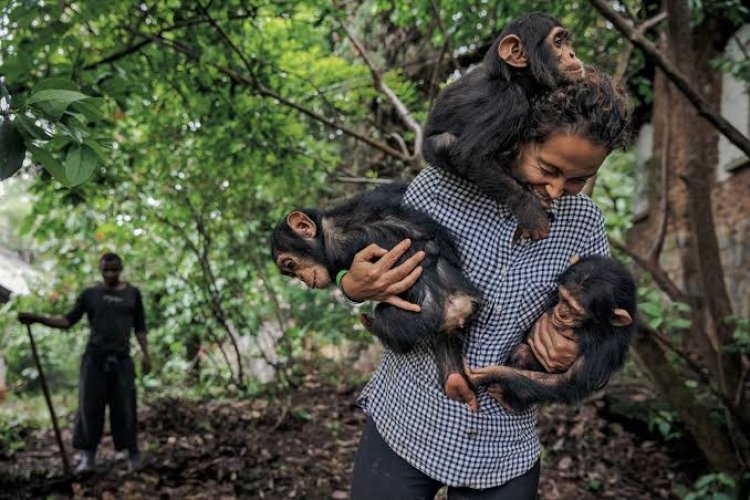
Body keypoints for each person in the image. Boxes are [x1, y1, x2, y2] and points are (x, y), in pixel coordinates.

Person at [341, 70, 632, 498]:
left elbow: (604, 333)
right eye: (548, 168)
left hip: (503, 449)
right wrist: (352, 287)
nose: (557, 190)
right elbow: (362, 272)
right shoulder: (439, 189)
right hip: (406, 420)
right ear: (519, 136)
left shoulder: (585, 226)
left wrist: (579, 348)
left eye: (577, 179)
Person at [18, 252, 151, 473]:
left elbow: (140, 328)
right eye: (106, 270)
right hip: (95, 359)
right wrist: (37, 318)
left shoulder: (132, 294)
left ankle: (132, 453)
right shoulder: (91, 294)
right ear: (100, 270)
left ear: (121, 269)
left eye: (115, 269)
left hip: (121, 360)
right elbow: (67, 320)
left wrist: (146, 355)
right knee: (89, 407)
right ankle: (87, 457)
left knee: (126, 407)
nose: (111, 274)